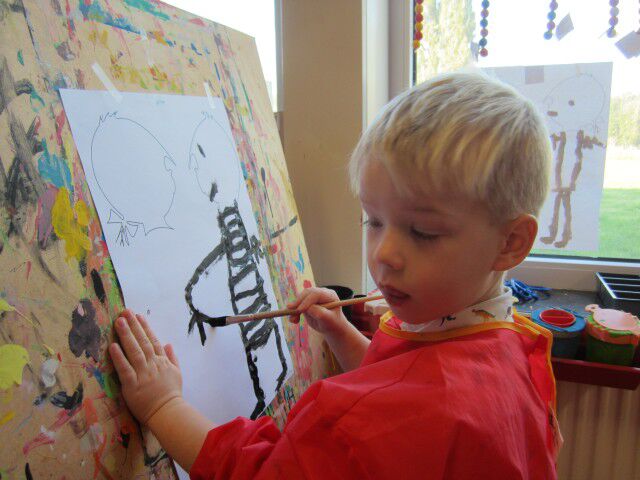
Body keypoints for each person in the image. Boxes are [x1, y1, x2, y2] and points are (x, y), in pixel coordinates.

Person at [109, 69, 561, 479]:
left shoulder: (376, 420)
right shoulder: (503, 343)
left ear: (510, 243)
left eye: (422, 232)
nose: (384, 253)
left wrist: (163, 405)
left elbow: (260, 473)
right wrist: (340, 332)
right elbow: (402, 381)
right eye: (373, 220)